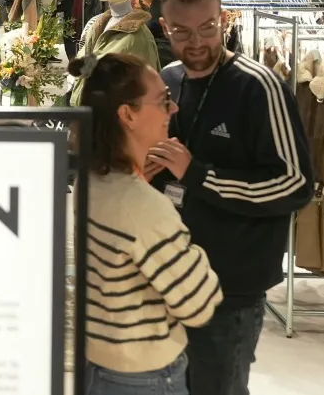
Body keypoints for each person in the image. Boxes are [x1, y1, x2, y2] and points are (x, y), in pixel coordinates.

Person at [148, 0, 313, 395]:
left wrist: (197, 174)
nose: (197, 42)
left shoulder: (259, 87)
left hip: (228, 290)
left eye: (207, 27)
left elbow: (295, 185)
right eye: (182, 31)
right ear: (165, 27)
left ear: (224, 19)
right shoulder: (167, 79)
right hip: (166, 277)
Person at [73, 52, 222, 395]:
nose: (173, 110)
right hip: (147, 377)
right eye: (163, 101)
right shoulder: (146, 208)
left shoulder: (90, 180)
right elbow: (199, 303)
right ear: (127, 114)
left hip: (99, 365)